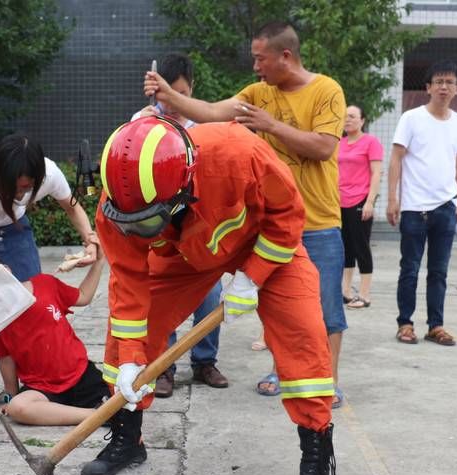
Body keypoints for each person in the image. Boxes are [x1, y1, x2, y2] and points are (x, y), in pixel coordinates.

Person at [86, 116, 341, 475]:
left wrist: (253, 277)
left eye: (150, 219)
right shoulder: (119, 205)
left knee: (305, 342)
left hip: (265, 246)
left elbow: (289, 217)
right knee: (125, 341)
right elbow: (129, 283)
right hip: (185, 256)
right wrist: (134, 357)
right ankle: (127, 440)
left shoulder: (240, 153)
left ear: (183, 186)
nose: (141, 226)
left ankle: (315, 465)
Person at [144, 21, 347, 408]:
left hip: (316, 223)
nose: (255, 67)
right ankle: (281, 369)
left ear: (285, 56)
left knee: (324, 309)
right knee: (278, 309)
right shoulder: (257, 93)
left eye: (260, 58)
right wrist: (169, 94)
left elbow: (323, 147)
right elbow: (209, 112)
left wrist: (271, 126)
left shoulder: (326, 91)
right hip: (268, 225)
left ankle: (328, 381)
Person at [0, 134, 98, 414]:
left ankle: (30, 379)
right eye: (12, 186)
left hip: (15, 230)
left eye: (26, 187)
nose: (19, 193)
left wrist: (90, 240)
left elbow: (73, 209)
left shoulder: (49, 173)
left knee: (28, 301)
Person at [134, 52, 228, 398]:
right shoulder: (142, 121)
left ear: (192, 90)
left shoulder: (203, 126)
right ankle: (163, 368)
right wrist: (139, 126)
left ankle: (205, 361)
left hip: (200, 226)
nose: (174, 104)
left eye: (183, 95)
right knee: (162, 298)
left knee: (210, 294)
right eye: (166, 95)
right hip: (160, 227)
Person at [386, 60, 457, 347]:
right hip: (414, 208)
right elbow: (397, 158)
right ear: (428, 87)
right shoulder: (411, 118)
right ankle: (405, 323)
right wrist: (392, 198)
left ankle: (436, 325)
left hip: (446, 208)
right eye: (438, 81)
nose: (444, 87)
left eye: (450, 82)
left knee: (439, 271)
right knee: (410, 268)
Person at [0, 251, 109, 426]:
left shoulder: (45, 284)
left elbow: (83, 296)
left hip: (80, 375)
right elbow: (6, 360)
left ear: (6, 271)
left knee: (124, 400)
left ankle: (101, 412)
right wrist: (9, 398)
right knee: (17, 408)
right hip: (42, 389)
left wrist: (99, 262)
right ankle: (95, 416)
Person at [338, 105, 383, 310]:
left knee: (361, 246)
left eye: (352, 116)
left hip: (360, 200)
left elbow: (376, 173)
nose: (347, 120)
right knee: (345, 247)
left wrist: (370, 201)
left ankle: (364, 295)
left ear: (362, 121)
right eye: (345, 116)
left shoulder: (370, 142)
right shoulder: (339, 143)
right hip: (339, 201)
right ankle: (345, 291)